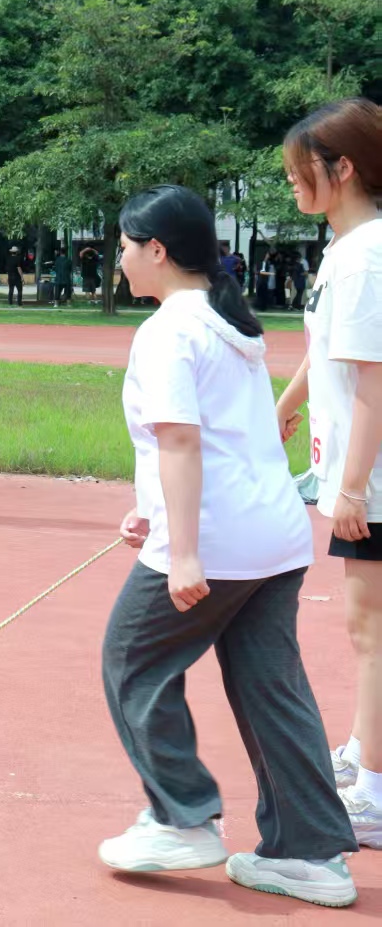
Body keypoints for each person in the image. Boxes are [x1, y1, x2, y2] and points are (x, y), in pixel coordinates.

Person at [99, 184, 357, 908]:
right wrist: (154, 512)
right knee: (272, 689)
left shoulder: (167, 331)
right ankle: (310, 854)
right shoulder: (226, 323)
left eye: (125, 247)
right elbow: (226, 438)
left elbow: (182, 442)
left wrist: (183, 551)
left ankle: (182, 817)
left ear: (157, 250)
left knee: (131, 660)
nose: (119, 261)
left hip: (216, 542)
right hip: (273, 537)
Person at [272, 97, 382, 850]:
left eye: (298, 169)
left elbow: (375, 377)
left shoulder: (367, 255)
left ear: (342, 168)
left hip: (371, 480)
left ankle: (372, 789)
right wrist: (286, 405)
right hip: (356, 472)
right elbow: (329, 352)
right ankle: (364, 750)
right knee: (365, 626)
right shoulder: (347, 248)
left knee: (370, 629)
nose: (290, 182)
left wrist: (353, 487)